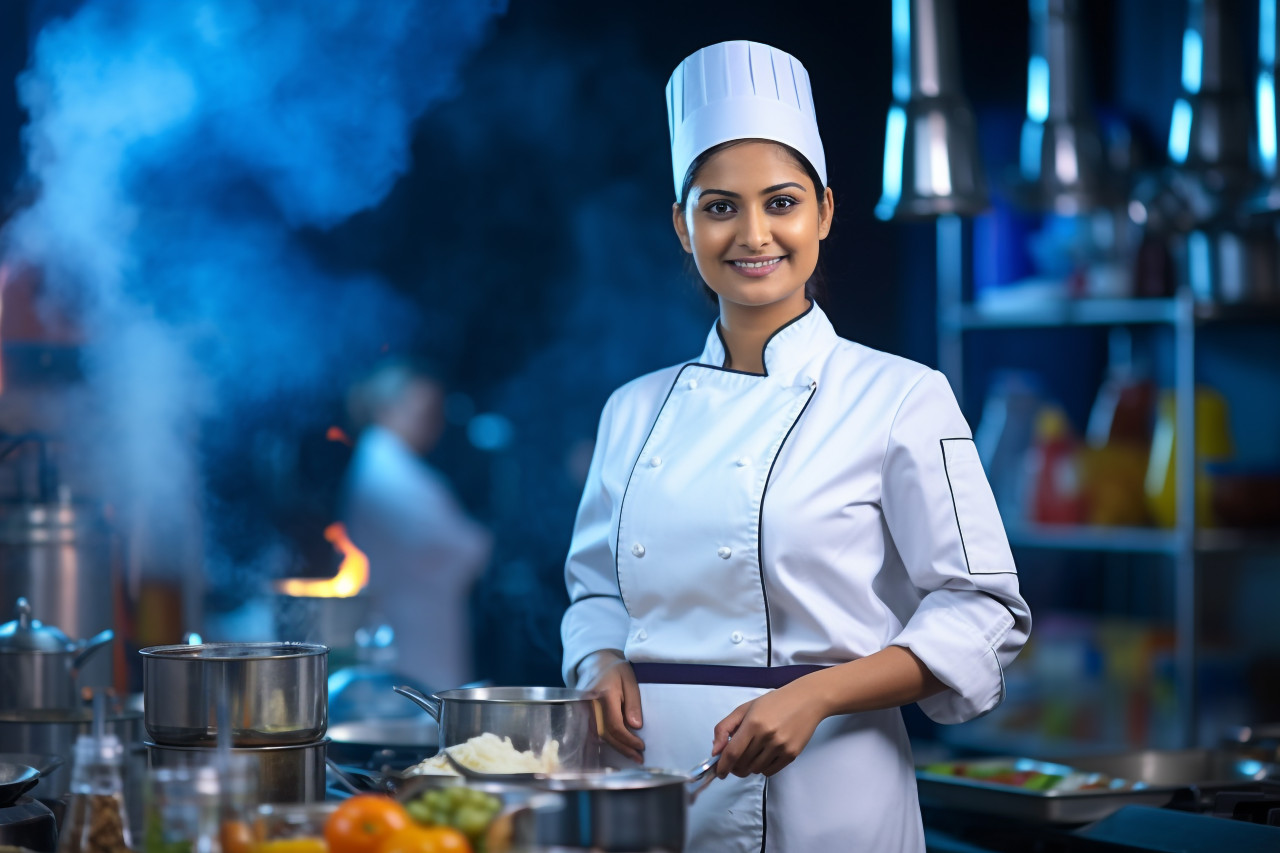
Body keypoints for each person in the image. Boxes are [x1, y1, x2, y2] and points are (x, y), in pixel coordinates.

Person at [560, 41, 1031, 851]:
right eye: (719, 207)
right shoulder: (632, 410)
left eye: (781, 203)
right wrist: (598, 661)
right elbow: (596, 593)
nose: (754, 234)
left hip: (831, 795)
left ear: (824, 212)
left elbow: (983, 607)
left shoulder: (901, 395)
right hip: (645, 791)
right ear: (682, 225)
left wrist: (814, 695)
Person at [341, 359, 491, 691]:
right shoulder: (386, 467)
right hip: (408, 621)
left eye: (434, 413)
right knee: (416, 706)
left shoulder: (395, 462)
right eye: (420, 410)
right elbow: (455, 545)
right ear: (385, 408)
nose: (431, 423)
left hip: (421, 616)